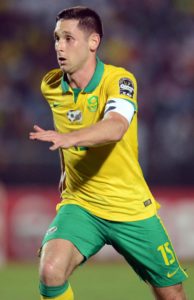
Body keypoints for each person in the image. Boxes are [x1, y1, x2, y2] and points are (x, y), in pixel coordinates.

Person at [29, 6, 188, 300]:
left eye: (68, 38)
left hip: (129, 206)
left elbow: (115, 127)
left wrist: (70, 138)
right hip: (81, 204)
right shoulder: (51, 85)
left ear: (93, 42)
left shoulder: (120, 80)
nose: (59, 47)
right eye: (56, 38)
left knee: (172, 293)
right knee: (50, 270)